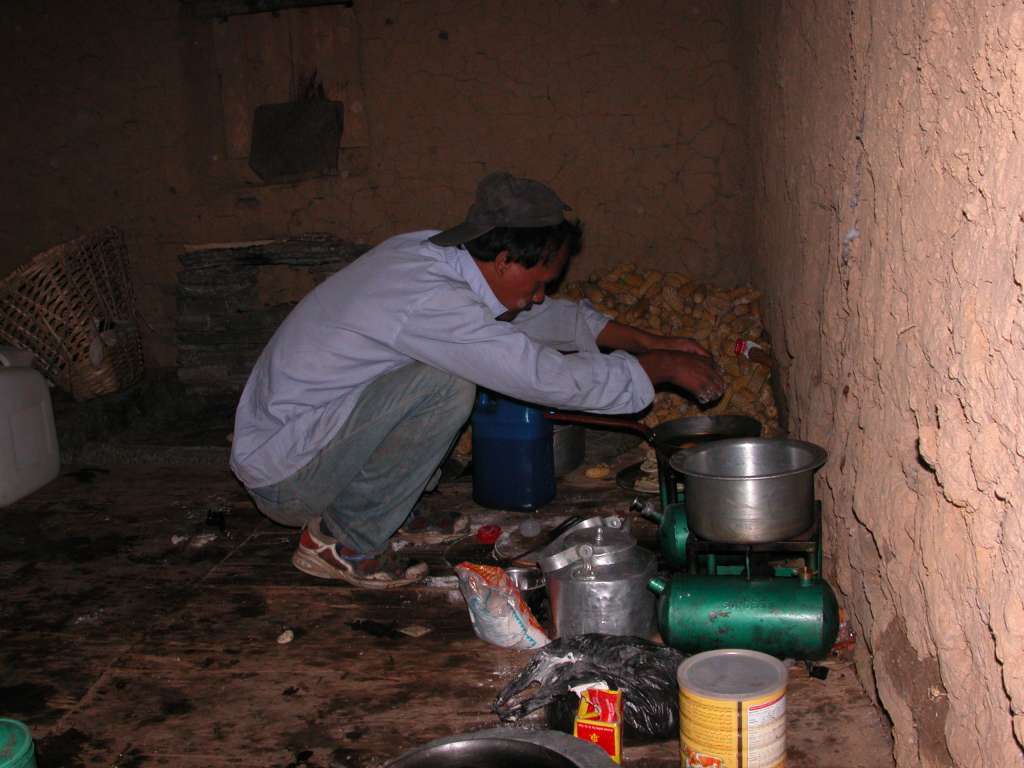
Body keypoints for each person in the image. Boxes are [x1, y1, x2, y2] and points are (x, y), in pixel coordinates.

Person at [230, 172, 725, 588]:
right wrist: (653, 370)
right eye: (538, 283)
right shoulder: (429, 297)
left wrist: (643, 341)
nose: (537, 297)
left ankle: (387, 508)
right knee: (445, 383)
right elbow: (536, 375)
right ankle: (344, 539)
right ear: (506, 259)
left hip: (305, 439)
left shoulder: (442, 259)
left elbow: (530, 319)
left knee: (441, 369)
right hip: (289, 475)